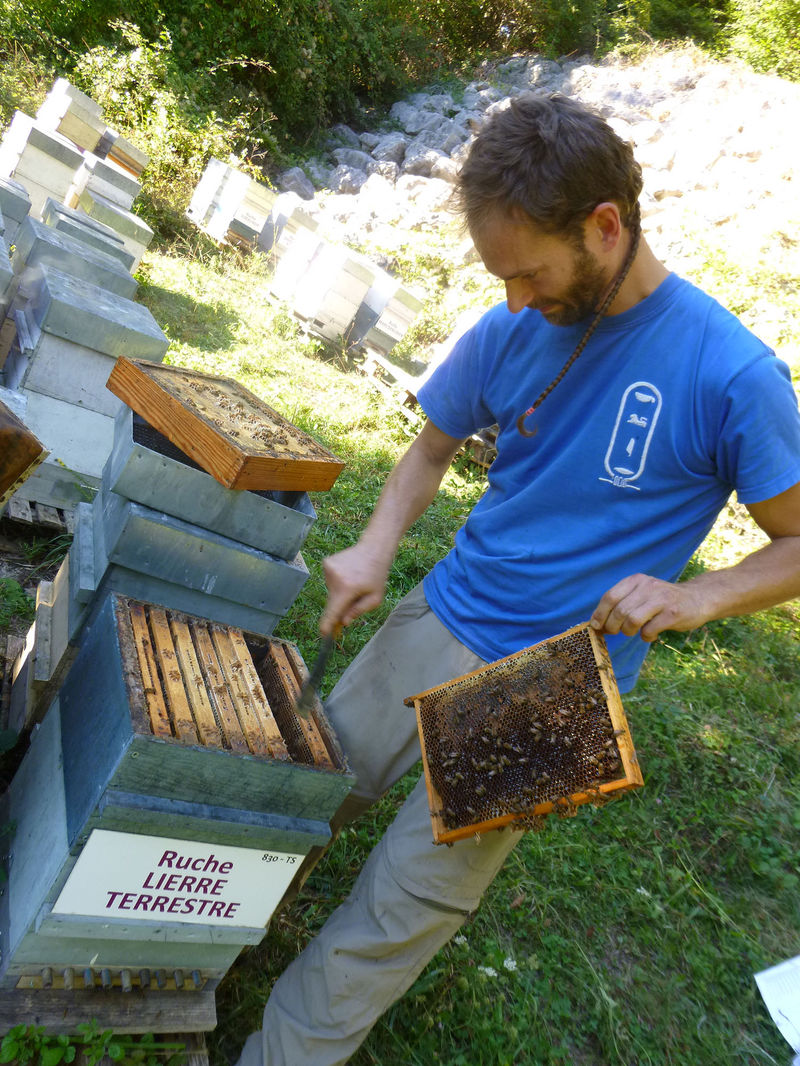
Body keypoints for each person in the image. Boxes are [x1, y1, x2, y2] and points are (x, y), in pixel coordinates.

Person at [235, 92, 800, 1066]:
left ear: (604, 227)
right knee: (298, 803)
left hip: (554, 693)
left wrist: (696, 595)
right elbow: (426, 450)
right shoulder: (510, 323)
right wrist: (374, 547)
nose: (511, 301)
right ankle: (190, 947)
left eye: (527, 273)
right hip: (439, 614)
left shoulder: (730, 374)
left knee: (397, 910)